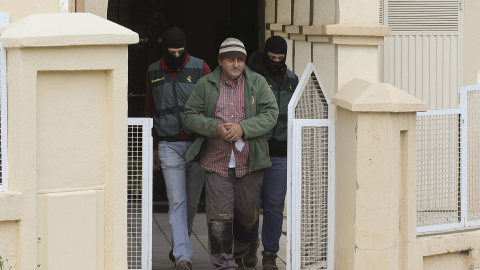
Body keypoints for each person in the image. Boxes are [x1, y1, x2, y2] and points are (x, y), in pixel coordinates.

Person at [183, 38, 279, 270]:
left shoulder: (257, 82)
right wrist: (214, 128)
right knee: (219, 219)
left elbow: (271, 113)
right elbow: (189, 115)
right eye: (230, 60)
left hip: (250, 162)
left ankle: (238, 254)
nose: (236, 64)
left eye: (240, 60)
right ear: (220, 61)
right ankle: (225, 264)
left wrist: (243, 128)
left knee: (247, 216)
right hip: (217, 163)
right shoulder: (206, 84)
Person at [144, 26, 211, 270]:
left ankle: (179, 245)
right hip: (168, 144)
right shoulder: (153, 71)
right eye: (172, 52)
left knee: (192, 203)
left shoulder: (201, 67)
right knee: (177, 201)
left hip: (198, 143)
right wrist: (152, 148)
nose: (176, 55)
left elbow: (214, 102)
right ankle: (183, 256)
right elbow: (149, 111)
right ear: (165, 50)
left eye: (180, 51)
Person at [243, 36, 298, 270]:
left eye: (280, 58)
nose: (276, 61)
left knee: (275, 205)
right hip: (256, 148)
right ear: (265, 55)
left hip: (281, 153)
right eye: (272, 58)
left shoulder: (292, 79)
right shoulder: (253, 77)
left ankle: (270, 253)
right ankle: (250, 244)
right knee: (251, 203)